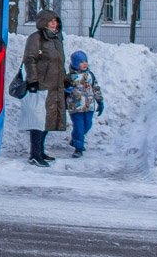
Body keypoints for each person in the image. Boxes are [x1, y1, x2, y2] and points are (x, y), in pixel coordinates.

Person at [18, 9, 67, 166]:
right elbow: (29, 59)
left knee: (47, 120)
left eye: (56, 21)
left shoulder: (57, 39)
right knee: (38, 120)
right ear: (43, 22)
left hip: (55, 86)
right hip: (42, 85)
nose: (54, 24)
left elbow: (59, 62)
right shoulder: (36, 38)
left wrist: (65, 79)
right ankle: (34, 154)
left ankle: (41, 151)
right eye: (51, 21)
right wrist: (32, 80)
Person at [64, 51, 105, 158]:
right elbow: (62, 89)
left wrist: (100, 101)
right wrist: (66, 90)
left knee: (88, 125)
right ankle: (78, 148)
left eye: (85, 61)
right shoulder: (69, 77)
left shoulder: (90, 75)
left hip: (89, 106)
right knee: (79, 127)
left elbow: (96, 88)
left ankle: (76, 139)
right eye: (81, 62)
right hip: (76, 107)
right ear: (75, 64)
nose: (84, 63)